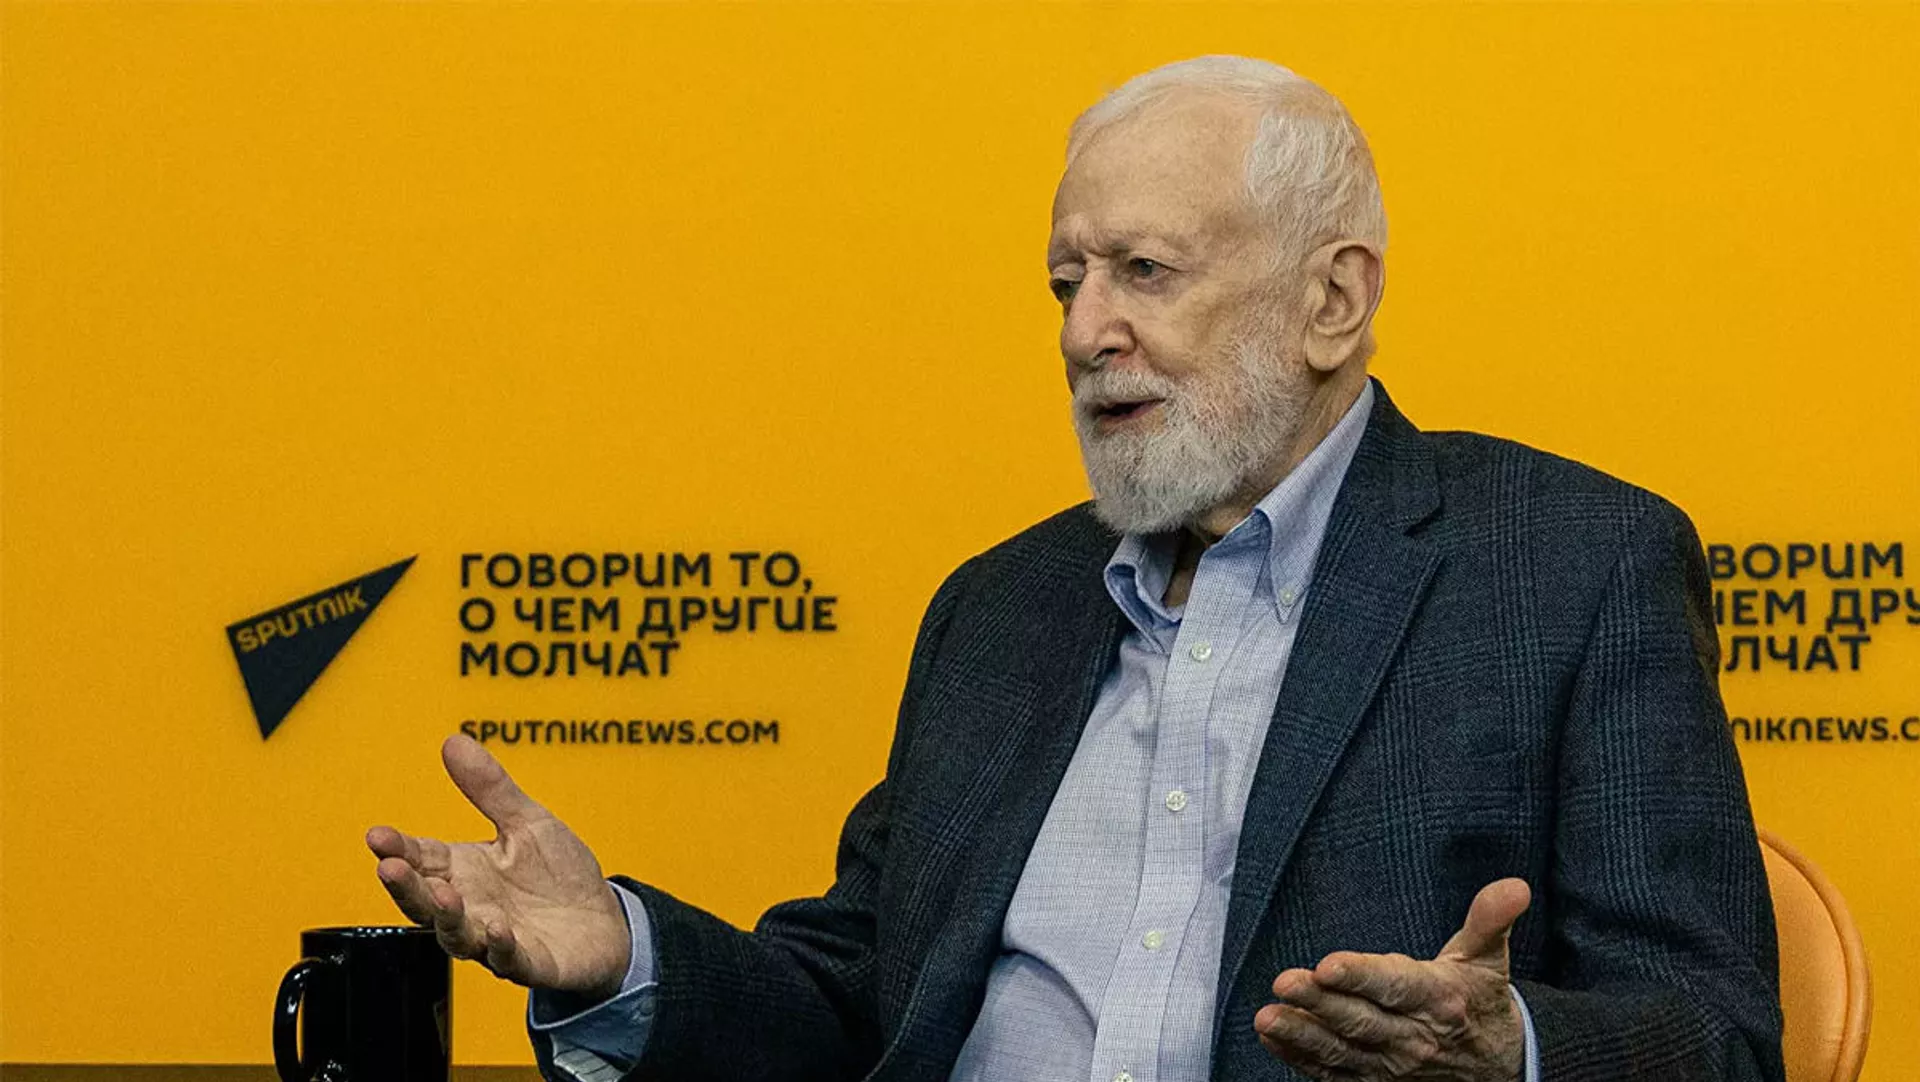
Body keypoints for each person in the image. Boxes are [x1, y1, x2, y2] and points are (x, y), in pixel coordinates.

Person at [367, 56, 1784, 1082]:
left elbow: (1715, 1035)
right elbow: (861, 1002)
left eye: (1144, 272)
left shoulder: (1568, 571)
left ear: (1332, 299)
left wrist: (1513, 1047)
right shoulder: (999, 609)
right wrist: (627, 953)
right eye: (1066, 282)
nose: (1083, 331)